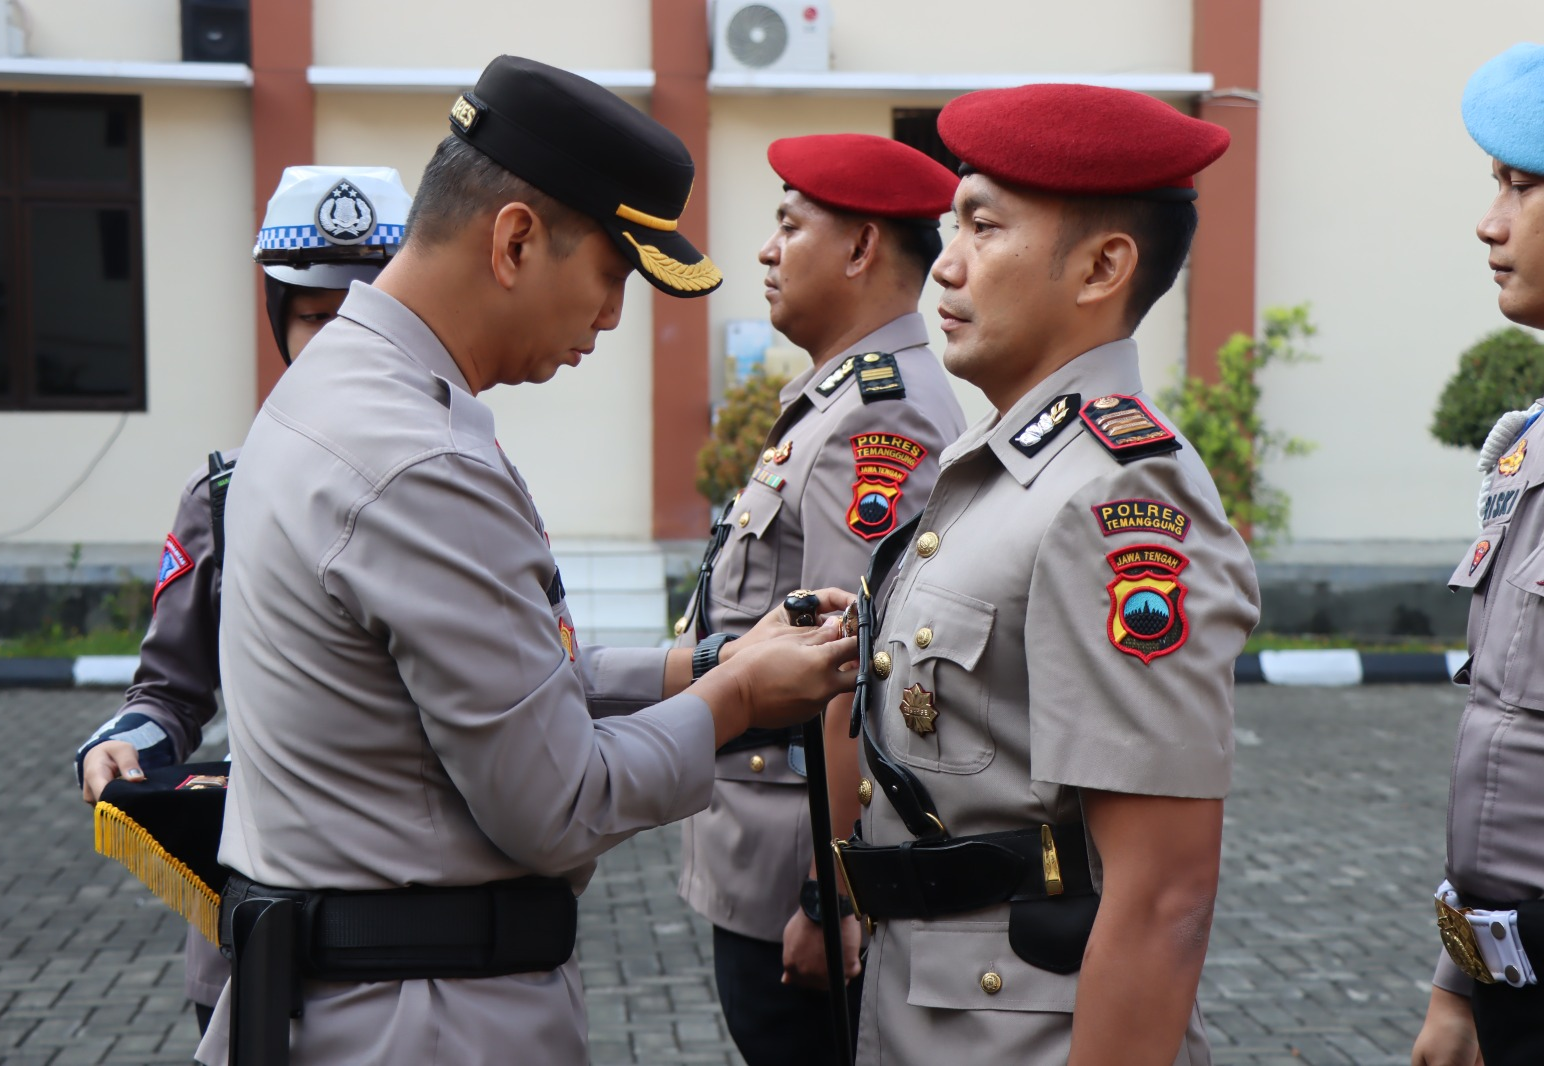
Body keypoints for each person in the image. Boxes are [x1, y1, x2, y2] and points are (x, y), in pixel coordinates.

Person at [192, 55, 858, 1066]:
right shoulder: (414, 457)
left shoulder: (352, 387)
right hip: (423, 1017)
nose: (611, 317)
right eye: (612, 273)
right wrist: (736, 704)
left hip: (372, 992)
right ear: (514, 240)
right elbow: (556, 802)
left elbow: (505, 687)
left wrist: (707, 664)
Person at [831, 84, 1261, 1066]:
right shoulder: (1005, 463)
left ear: (1103, 266)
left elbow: (1163, 894)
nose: (943, 262)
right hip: (933, 1003)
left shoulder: (1115, 494)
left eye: (983, 225)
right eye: (951, 223)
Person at [73, 164, 412, 1033]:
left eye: (358, 319)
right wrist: (127, 742)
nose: (335, 342)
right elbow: (171, 689)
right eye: (311, 318)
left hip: (420, 940)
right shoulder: (224, 494)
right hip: (259, 931)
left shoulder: (453, 484)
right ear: (278, 324)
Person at [673, 133, 965, 1065]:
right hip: (758, 835)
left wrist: (828, 892)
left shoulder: (882, 411)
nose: (766, 249)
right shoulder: (835, 398)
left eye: (789, 224)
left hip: (796, 851)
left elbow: (857, 662)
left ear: (861, 247)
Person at [1412, 42, 1544, 1066]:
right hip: (1511, 978)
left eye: (1522, 185)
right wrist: (1457, 984)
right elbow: (1504, 726)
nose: (1487, 223)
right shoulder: (1524, 443)